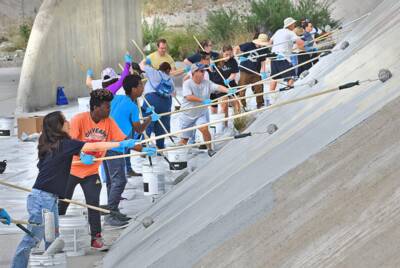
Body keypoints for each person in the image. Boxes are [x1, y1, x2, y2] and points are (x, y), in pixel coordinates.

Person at [11, 111, 136, 267]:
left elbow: (73, 152)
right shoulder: (64, 144)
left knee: (53, 239)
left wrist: (81, 154)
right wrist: (120, 144)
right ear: (59, 126)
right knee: (32, 239)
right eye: (65, 121)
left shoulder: (52, 144)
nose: (68, 122)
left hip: (47, 198)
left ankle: (51, 265)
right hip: (43, 199)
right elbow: (95, 145)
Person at [58, 89, 133, 249]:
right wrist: (81, 153)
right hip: (71, 170)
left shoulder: (109, 122)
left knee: (94, 205)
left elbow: (123, 140)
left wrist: (142, 147)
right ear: (95, 107)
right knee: (62, 204)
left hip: (91, 172)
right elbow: (68, 145)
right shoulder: (79, 119)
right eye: (106, 106)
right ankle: (52, 236)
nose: (109, 109)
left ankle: (96, 238)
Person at [103, 74, 155, 227]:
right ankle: (111, 214)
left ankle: (113, 211)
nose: (142, 88)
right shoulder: (132, 106)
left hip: (104, 142)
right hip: (116, 145)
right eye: (140, 85)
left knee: (111, 180)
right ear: (133, 89)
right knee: (119, 180)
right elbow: (138, 128)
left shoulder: (117, 98)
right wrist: (149, 119)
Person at [179, 63, 229, 157]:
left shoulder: (207, 83)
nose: (203, 73)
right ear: (194, 72)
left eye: (204, 71)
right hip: (187, 115)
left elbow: (217, 87)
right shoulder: (187, 83)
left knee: (204, 129)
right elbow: (188, 97)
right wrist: (203, 100)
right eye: (201, 71)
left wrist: (228, 90)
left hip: (200, 114)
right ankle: (179, 156)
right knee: (184, 139)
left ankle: (210, 149)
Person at [140, 60, 175, 149]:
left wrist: (146, 61)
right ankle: (160, 146)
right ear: (168, 70)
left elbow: (141, 65)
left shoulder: (154, 72)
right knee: (161, 124)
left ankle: (144, 143)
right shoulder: (170, 79)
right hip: (166, 103)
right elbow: (174, 93)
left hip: (152, 100)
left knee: (148, 121)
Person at [234, 33, 270, 108]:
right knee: (242, 89)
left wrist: (263, 72)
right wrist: (237, 57)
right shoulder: (249, 45)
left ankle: (260, 104)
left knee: (259, 87)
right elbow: (236, 48)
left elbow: (263, 61)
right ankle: (242, 106)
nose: (262, 45)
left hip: (256, 71)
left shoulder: (263, 49)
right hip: (245, 70)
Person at [269, 17, 305, 93]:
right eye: (294, 24)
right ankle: (289, 94)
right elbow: (300, 43)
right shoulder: (290, 32)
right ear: (290, 25)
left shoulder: (278, 31)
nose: (294, 25)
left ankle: (271, 94)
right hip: (283, 57)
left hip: (273, 56)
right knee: (292, 77)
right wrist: (304, 48)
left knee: (275, 78)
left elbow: (270, 42)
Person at [209, 45, 240, 124]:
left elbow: (234, 73)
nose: (228, 57)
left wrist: (229, 79)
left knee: (237, 102)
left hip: (231, 83)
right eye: (226, 54)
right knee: (224, 105)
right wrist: (211, 66)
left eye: (230, 54)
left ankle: (238, 121)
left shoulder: (233, 61)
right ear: (222, 52)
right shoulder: (216, 60)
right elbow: (210, 69)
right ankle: (224, 124)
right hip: (220, 86)